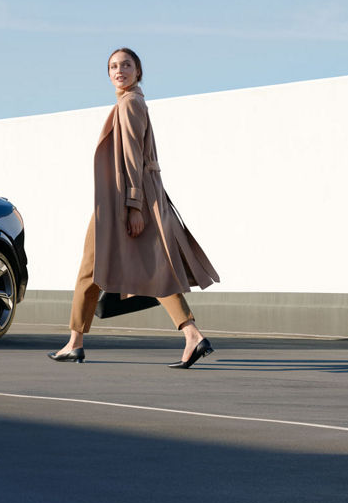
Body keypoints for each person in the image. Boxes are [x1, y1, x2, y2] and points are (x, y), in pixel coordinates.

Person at [49, 48, 220, 369]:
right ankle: (76, 340)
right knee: (129, 268)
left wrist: (133, 205)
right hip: (125, 198)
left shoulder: (129, 104)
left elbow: (131, 157)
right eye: (113, 66)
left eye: (126, 65)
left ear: (138, 71)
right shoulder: (131, 102)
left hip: (125, 200)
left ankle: (190, 334)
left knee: (113, 268)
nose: (119, 70)